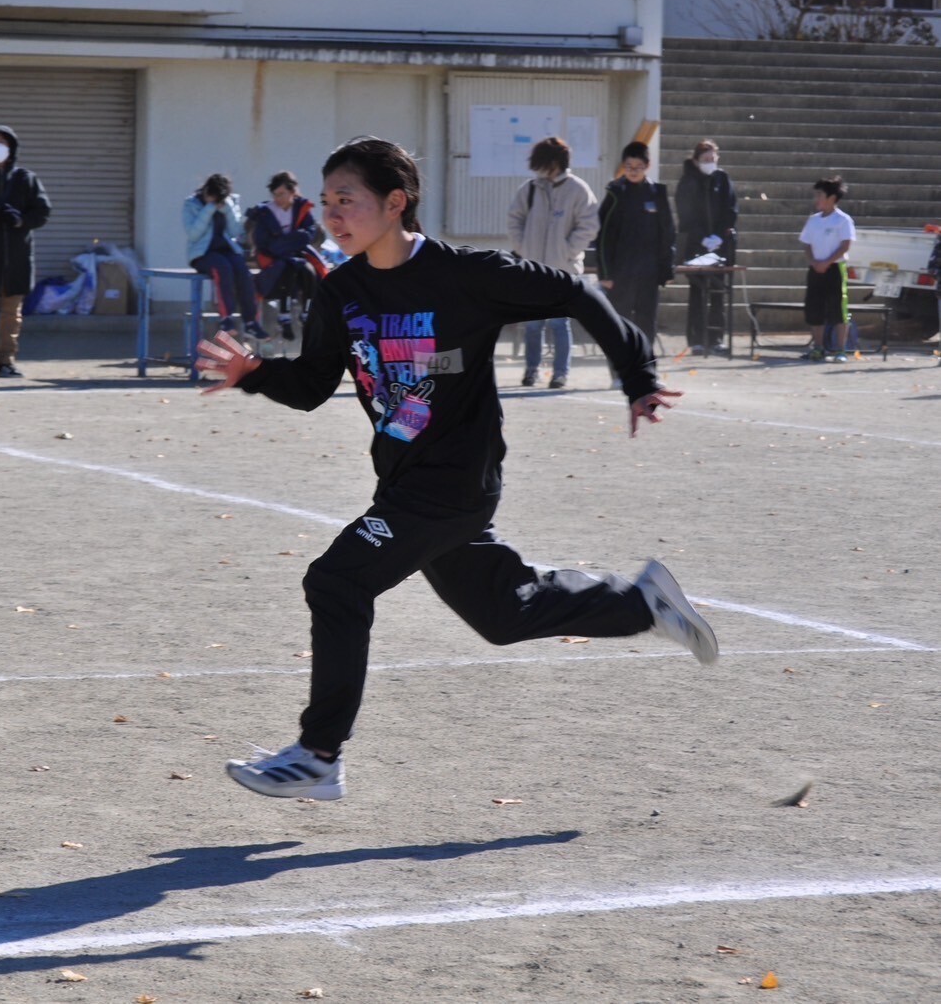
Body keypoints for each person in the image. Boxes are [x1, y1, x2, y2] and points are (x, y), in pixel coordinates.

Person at [195, 136, 718, 802]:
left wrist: (636, 374)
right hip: (405, 480)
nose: (331, 214)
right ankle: (639, 602)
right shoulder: (342, 291)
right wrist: (254, 374)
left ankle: (319, 755)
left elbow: (577, 293)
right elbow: (310, 385)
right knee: (503, 613)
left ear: (395, 203)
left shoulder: (466, 274)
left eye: (346, 199)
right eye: (325, 202)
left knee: (336, 580)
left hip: (454, 481)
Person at [506, 136, 600, 388]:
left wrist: (569, 251)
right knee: (532, 324)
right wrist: (523, 248)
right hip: (532, 269)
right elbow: (514, 219)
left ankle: (560, 373)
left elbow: (589, 225)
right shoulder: (529, 189)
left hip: (563, 269)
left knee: (559, 323)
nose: (540, 169)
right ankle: (531, 370)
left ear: (556, 162)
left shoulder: (578, 189)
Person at [0, 124, 52, 379]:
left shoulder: (26, 179)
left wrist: (20, 220)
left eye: (2, 142)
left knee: (11, 315)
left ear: (12, 147)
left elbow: (42, 211)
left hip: (16, 258)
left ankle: (7, 360)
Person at [593, 141, 675, 347]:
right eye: (629, 167)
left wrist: (666, 268)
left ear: (647, 166)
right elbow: (603, 237)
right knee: (619, 323)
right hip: (620, 273)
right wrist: (605, 274)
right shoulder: (615, 193)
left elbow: (667, 233)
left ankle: (645, 364)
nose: (633, 171)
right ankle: (620, 365)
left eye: (638, 167)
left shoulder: (657, 194)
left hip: (649, 273)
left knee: (646, 323)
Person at [675, 140, 739, 356]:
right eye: (705, 159)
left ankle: (716, 338)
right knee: (698, 291)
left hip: (719, 245)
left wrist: (719, 236)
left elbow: (731, 209)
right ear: (696, 161)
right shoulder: (688, 181)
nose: (710, 162)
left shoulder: (723, 179)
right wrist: (702, 238)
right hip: (696, 245)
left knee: (718, 293)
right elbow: (685, 214)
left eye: (713, 158)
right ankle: (697, 339)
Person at [183, 173, 267, 339]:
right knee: (223, 268)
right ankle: (226, 318)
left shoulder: (230, 202)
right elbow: (193, 235)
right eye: (211, 196)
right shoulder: (191, 204)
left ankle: (251, 322)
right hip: (202, 254)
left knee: (242, 270)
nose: (214, 200)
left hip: (226, 250)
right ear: (206, 191)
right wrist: (209, 209)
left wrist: (227, 209)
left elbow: (237, 232)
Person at [246, 171, 322, 342]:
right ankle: (284, 315)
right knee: (287, 270)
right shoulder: (265, 212)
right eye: (275, 194)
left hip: (296, 256)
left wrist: (283, 243)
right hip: (272, 259)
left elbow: (308, 234)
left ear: (292, 192)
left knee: (310, 272)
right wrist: (292, 242)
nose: (277, 198)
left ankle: (306, 312)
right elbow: (264, 242)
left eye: (281, 194)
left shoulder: (302, 208)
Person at [798, 175, 856, 363]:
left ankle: (841, 350)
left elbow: (845, 245)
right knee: (814, 308)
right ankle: (818, 347)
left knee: (838, 308)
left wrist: (827, 262)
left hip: (835, 269)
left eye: (820, 195)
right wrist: (814, 262)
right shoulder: (813, 220)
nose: (816, 199)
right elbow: (806, 243)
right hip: (815, 269)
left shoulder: (843, 220)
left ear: (832, 198)